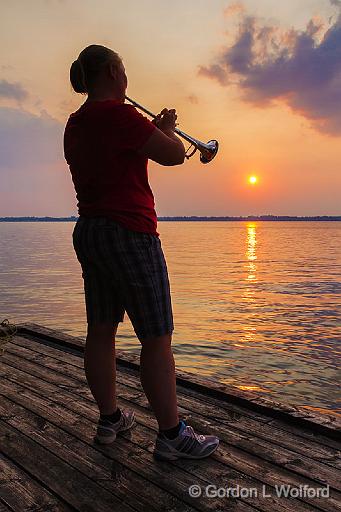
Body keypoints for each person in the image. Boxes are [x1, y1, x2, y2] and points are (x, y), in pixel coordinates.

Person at [63, 44, 219, 460]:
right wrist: (164, 129)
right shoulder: (118, 115)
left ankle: (110, 418)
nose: (126, 75)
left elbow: (117, 155)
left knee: (100, 329)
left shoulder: (75, 123)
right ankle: (172, 435)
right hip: (129, 231)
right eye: (124, 68)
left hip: (91, 231)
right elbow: (172, 156)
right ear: (114, 71)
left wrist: (151, 127)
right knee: (156, 336)